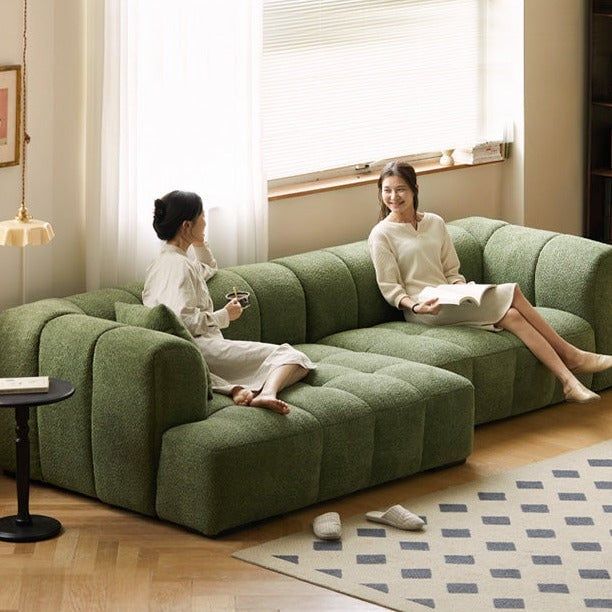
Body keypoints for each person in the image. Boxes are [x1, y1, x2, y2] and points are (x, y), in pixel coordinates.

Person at [368, 160, 612, 404]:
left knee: (513, 317)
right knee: (513, 291)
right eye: (387, 190)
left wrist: (459, 288)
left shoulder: (435, 222)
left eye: (400, 189)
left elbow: (451, 271)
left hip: (448, 296)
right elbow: (390, 287)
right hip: (424, 307)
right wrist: (415, 306)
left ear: (414, 189)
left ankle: (568, 382)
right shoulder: (381, 234)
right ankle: (573, 355)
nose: (393, 196)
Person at [142, 190, 315, 414]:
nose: (205, 221)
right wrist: (225, 316)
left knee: (287, 360)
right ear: (186, 226)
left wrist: (198, 242)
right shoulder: (180, 268)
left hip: (196, 351)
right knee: (294, 358)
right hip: (203, 349)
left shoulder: (163, 264)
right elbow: (183, 320)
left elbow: (209, 267)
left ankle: (232, 388)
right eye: (202, 216)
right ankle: (267, 393)